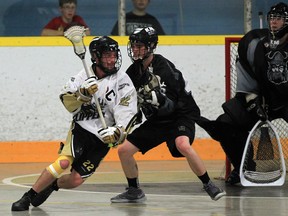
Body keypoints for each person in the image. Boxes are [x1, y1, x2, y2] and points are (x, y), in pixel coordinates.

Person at [11, 36, 137, 211]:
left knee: (75, 180)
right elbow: (67, 102)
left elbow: (127, 111)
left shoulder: (122, 80)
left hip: (102, 138)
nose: (112, 60)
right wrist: (82, 94)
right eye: (107, 55)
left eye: (114, 55)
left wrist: (118, 131)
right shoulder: (83, 75)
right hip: (81, 129)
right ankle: (27, 197)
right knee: (63, 162)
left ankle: (52, 184)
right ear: (95, 57)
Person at [110, 27, 226, 203]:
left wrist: (162, 101)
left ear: (151, 46)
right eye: (133, 45)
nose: (135, 49)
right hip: (158, 120)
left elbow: (177, 100)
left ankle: (209, 184)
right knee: (124, 151)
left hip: (179, 116)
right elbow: (126, 100)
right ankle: (134, 190)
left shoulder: (164, 68)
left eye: (139, 46)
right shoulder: (133, 72)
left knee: (183, 145)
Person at [197, 2, 288, 185]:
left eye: (279, 18)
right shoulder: (255, 43)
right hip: (262, 100)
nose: (274, 22)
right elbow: (246, 78)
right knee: (226, 124)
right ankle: (244, 168)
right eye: (272, 18)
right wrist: (253, 102)